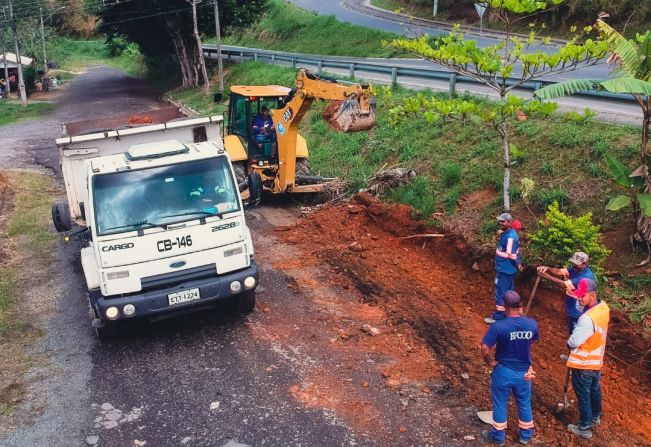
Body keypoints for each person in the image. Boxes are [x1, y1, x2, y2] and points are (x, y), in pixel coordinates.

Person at [480, 290, 538, 446]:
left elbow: (485, 347)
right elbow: (532, 341)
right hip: (525, 372)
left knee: (500, 403)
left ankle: (498, 437)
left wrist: (490, 362)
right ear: (520, 305)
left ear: (504, 306)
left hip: (504, 371)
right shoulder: (532, 324)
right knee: (524, 402)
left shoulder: (498, 326)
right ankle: (525, 435)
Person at [565, 278, 609, 440]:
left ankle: (584, 428)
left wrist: (569, 343)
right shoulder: (603, 309)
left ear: (592, 295)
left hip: (583, 364)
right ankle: (595, 417)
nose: (579, 298)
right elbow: (582, 307)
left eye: (582, 296)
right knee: (594, 390)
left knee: (583, 395)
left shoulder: (586, 319)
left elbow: (574, 341)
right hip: (596, 362)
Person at [536, 252, 596, 335]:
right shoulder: (576, 268)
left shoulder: (585, 276)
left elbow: (563, 284)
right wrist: (547, 268)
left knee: (576, 329)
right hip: (572, 303)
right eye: (573, 263)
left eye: (576, 264)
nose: (574, 265)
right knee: (572, 324)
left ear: (584, 264)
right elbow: (559, 271)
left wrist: (546, 276)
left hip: (578, 307)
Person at [486, 212, 522, 324]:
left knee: (501, 292)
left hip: (505, 269)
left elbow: (512, 255)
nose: (500, 223)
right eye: (500, 221)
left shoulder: (511, 238)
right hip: (505, 268)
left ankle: (499, 316)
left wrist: (517, 263)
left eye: (503, 221)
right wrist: (502, 232)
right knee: (508, 292)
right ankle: (509, 314)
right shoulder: (507, 233)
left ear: (509, 222)